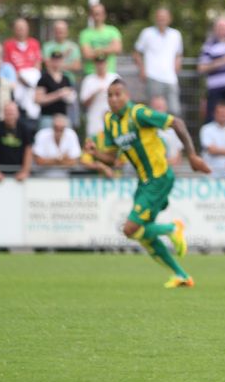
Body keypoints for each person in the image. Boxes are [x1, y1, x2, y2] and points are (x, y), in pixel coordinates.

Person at [84, 79, 210, 288]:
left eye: (118, 94)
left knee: (129, 229)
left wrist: (193, 156)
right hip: (144, 182)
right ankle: (181, 275)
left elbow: (176, 122)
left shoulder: (139, 114)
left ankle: (172, 227)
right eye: (110, 95)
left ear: (127, 96)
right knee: (141, 234)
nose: (114, 99)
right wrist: (96, 154)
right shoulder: (111, 123)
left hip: (159, 178)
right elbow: (115, 159)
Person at [133, 7, 183, 116]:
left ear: (169, 19)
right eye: (159, 17)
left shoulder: (176, 35)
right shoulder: (147, 33)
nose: (162, 20)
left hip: (171, 78)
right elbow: (136, 53)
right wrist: (142, 69)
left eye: (164, 17)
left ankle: (171, 133)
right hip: (153, 76)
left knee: (174, 111)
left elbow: (179, 54)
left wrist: (177, 65)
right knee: (153, 112)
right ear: (155, 19)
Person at [4, 17, 43, 122]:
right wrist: (21, 78)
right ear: (14, 30)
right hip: (17, 80)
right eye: (18, 28)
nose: (21, 31)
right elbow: (8, 66)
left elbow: (38, 63)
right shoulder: (9, 45)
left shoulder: (34, 43)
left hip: (32, 80)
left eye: (23, 28)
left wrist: (31, 80)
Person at [0, 102, 33, 182]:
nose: (10, 116)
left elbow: (29, 150)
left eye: (12, 113)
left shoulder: (24, 128)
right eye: (7, 113)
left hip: (18, 171)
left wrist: (25, 171)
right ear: (3, 114)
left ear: (17, 114)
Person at [79, 55, 120, 137]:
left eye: (102, 63)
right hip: (95, 117)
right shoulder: (88, 80)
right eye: (98, 63)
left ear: (106, 64)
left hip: (113, 115)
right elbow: (84, 102)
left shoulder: (114, 77)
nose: (100, 66)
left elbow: (122, 97)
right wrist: (95, 93)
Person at [35, 51, 75, 129]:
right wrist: (59, 94)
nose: (57, 63)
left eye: (59, 60)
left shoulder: (66, 79)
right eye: (55, 60)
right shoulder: (44, 78)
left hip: (63, 117)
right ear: (50, 61)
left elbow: (71, 97)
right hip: (48, 117)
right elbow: (38, 99)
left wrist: (69, 97)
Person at [79, 3, 122, 75]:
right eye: (95, 14)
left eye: (100, 13)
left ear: (104, 14)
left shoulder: (113, 31)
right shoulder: (85, 34)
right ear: (91, 16)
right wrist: (108, 49)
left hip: (109, 73)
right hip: (91, 73)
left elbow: (117, 49)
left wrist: (96, 50)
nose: (98, 16)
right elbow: (87, 54)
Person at [150, 96, 183, 167]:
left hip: (171, 171)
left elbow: (178, 158)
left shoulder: (173, 130)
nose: (158, 111)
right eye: (156, 108)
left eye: (160, 108)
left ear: (165, 108)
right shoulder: (146, 130)